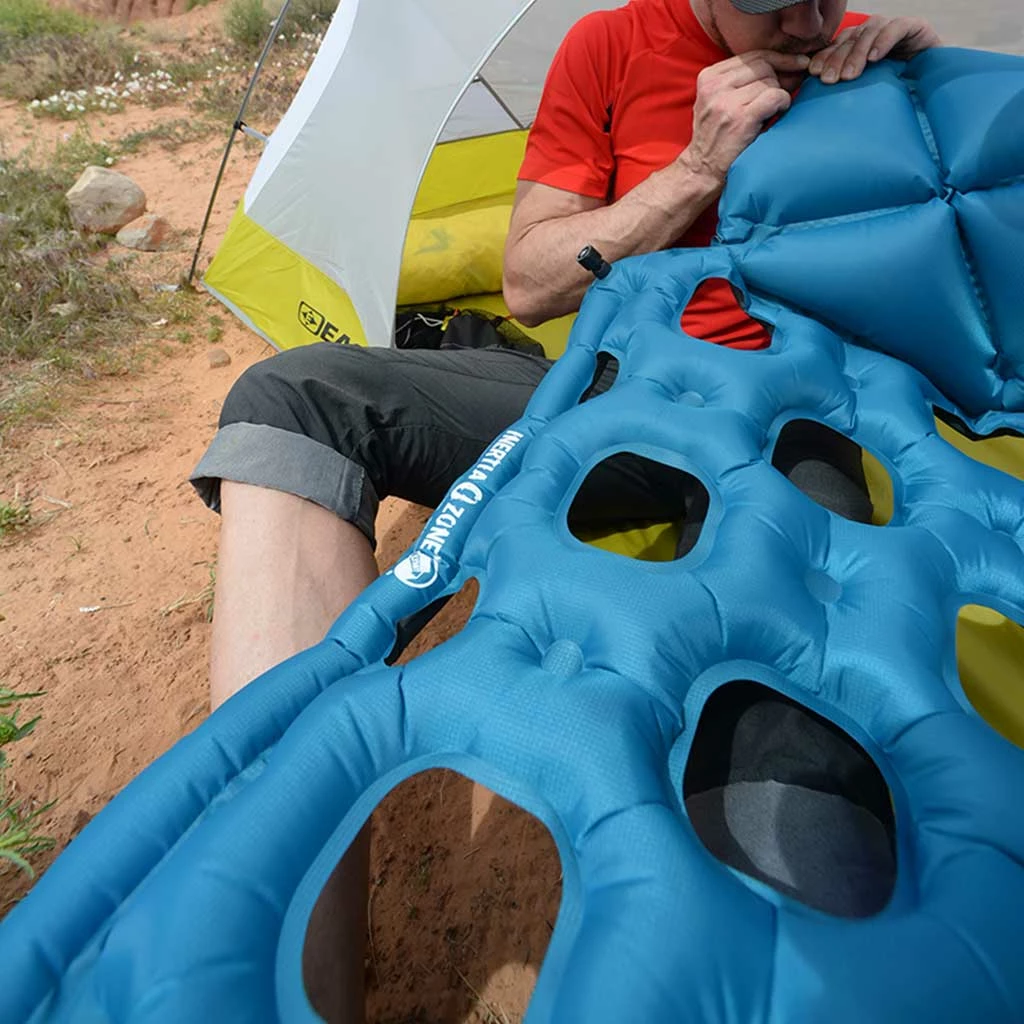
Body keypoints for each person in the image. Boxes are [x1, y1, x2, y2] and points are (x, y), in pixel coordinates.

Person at [189, 1, 940, 1017]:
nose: (809, 19)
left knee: (791, 672)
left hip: (792, 418)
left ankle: (802, 974)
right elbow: (529, 284)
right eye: (773, 1)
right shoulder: (611, 46)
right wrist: (695, 168)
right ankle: (276, 959)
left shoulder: (863, 56)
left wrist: (937, 105)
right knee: (295, 396)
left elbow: (950, 292)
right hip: (614, 387)